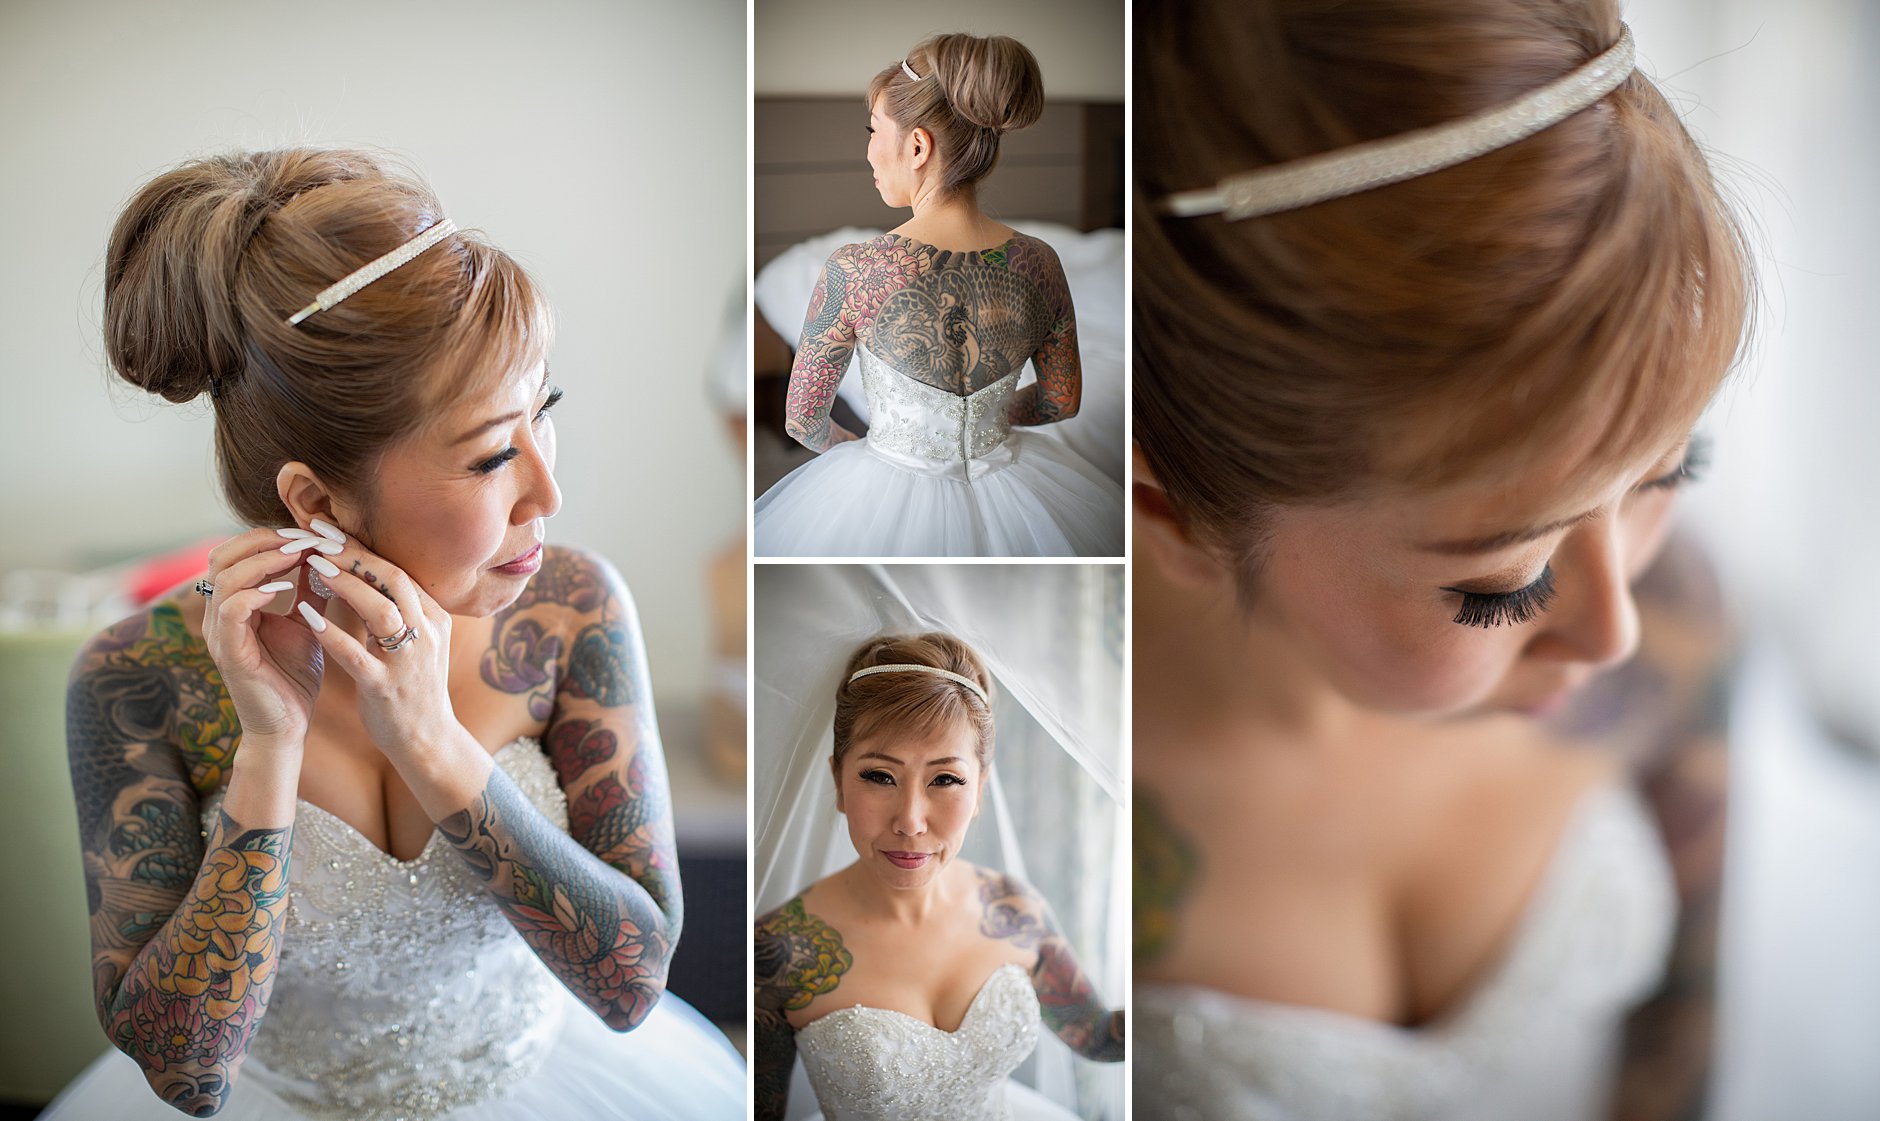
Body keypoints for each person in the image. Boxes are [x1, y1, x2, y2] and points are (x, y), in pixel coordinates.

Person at [1129, 3, 1754, 1120]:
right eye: (1497, 583)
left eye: (1669, 471)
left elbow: (1678, 1038)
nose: (1612, 630)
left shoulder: (1679, 609)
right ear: (1165, 510)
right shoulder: (1004, 766)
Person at [47, 148, 744, 1120]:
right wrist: (267, 749)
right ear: (317, 500)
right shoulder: (136, 679)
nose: (548, 491)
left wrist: (432, 741)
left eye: (546, 413)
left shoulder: (572, 607)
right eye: (494, 452)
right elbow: (189, 1075)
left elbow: (631, 986)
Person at [753, 33, 1123, 558]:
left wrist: (861, 449)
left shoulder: (854, 270)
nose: (868, 152)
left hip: (889, 476)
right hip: (1021, 487)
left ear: (919, 146)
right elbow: (1060, 401)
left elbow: (803, 419)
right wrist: (985, 421)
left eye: (873, 130)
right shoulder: (1040, 263)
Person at [754, 634, 1123, 1121]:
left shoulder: (1014, 910)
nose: (910, 821)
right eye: (879, 776)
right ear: (838, 782)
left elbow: (1096, 1037)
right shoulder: (778, 953)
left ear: (980, 791)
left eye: (945, 779)